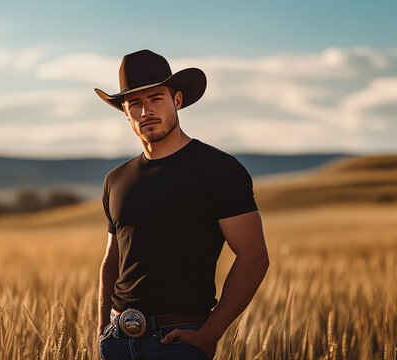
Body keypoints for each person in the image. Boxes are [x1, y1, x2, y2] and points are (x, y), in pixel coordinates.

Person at [95, 49, 269, 360]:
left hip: (179, 340)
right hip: (118, 338)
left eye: (155, 99)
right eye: (135, 103)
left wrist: (207, 336)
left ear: (177, 101)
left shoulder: (218, 170)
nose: (146, 110)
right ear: (125, 112)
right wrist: (102, 331)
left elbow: (254, 257)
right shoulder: (115, 180)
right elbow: (112, 260)